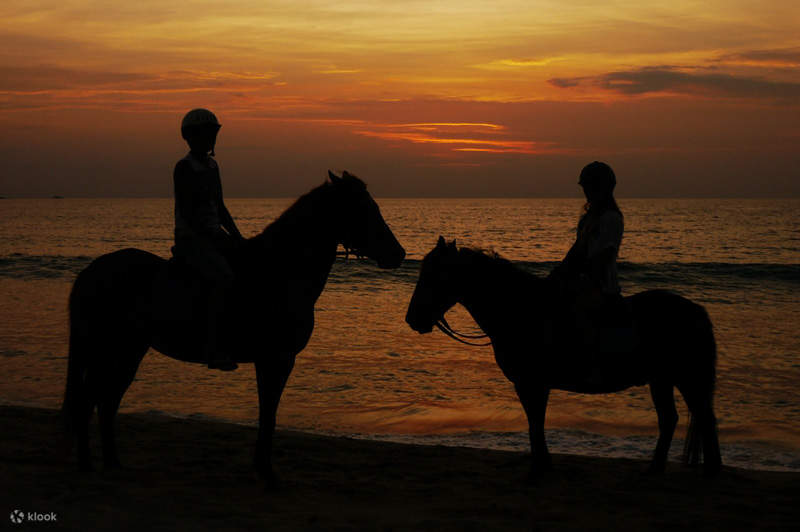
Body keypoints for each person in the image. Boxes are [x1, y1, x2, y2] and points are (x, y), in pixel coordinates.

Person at [172, 108, 244, 371]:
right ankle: (212, 346)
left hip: (214, 236)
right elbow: (189, 212)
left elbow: (220, 207)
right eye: (205, 134)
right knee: (223, 277)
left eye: (212, 133)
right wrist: (214, 237)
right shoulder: (184, 168)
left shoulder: (213, 166)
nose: (210, 139)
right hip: (192, 239)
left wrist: (237, 237)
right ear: (192, 137)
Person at [549, 161, 625, 349]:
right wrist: (559, 272)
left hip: (602, 287)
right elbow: (577, 251)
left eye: (591, 188)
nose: (587, 193)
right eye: (586, 188)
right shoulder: (588, 219)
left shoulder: (611, 218)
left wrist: (580, 276)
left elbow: (604, 257)